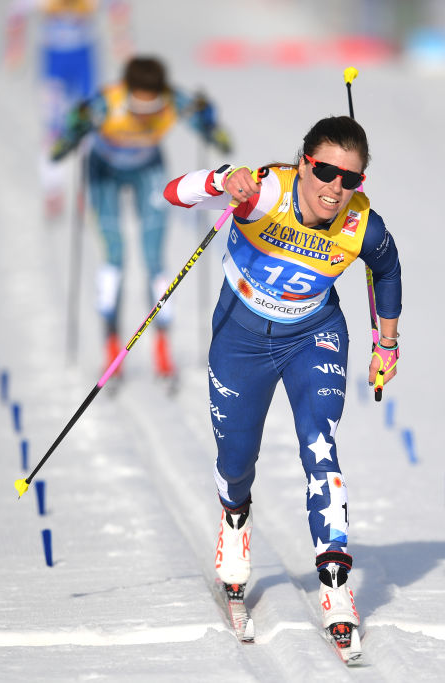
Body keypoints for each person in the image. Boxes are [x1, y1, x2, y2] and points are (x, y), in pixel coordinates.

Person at [162, 116, 402, 649]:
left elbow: (385, 269)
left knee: (320, 444)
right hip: (240, 334)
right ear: (303, 164)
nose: (336, 188)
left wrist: (386, 342)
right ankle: (234, 521)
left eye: (351, 179)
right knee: (235, 458)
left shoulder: (361, 224)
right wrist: (220, 180)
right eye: (325, 172)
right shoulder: (263, 190)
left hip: (312, 334)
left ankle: (336, 587)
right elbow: (173, 194)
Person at [54, 56, 232, 379]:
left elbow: (211, 126)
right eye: (137, 107)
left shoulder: (172, 100)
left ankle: (163, 344)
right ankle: (111, 344)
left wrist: (208, 120)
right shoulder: (108, 102)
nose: (143, 116)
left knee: (153, 258)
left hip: (148, 169)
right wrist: (74, 129)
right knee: (115, 256)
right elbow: (67, 132)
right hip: (104, 170)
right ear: (127, 92)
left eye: (152, 111)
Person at [5, 0, 104, 220]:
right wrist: (15, 49)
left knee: (89, 124)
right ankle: (53, 187)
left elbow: (118, 6)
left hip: (83, 57)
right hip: (54, 60)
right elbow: (16, 10)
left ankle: (88, 190)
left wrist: (123, 43)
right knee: (53, 128)